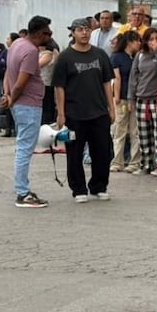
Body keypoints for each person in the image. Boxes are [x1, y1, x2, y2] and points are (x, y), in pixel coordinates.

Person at [53, 17, 115, 202]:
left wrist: (111, 107)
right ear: (72, 32)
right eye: (80, 29)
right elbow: (59, 87)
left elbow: (107, 82)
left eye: (87, 29)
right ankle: (79, 189)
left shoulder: (100, 55)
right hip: (74, 114)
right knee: (74, 154)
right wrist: (61, 113)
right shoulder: (65, 57)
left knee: (102, 152)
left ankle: (98, 186)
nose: (84, 33)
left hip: (99, 112)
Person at [0, 16, 53, 208]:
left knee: (23, 146)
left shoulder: (17, 44)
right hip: (28, 104)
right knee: (25, 148)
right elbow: (22, 82)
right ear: (39, 33)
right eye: (47, 32)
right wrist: (12, 98)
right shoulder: (30, 51)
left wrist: (7, 95)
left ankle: (23, 189)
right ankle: (22, 193)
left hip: (19, 103)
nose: (49, 36)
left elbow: (8, 73)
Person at [129, 27, 157, 175]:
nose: (153, 42)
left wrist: (156, 53)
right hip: (141, 99)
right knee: (143, 135)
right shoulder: (140, 55)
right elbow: (134, 77)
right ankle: (145, 164)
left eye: (156, 39)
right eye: (151, 39)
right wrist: (131, 98)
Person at [109, 30, 142, 173]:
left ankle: (135, 162)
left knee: (135, 131)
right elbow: (117, 78)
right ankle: (117, 161)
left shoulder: (136, 57)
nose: (139, 44)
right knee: (120, 131)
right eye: (137, 41)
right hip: (121, 98)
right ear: (129, 42)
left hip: (134, 98)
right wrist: (116, 97)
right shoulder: (117, 57)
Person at [38, 38, 60, 125]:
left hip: (46, 83)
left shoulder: (47, 54)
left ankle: (46, 122)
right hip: (42, 83)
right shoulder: (42, 54)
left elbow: (37, 65)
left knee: (46, 105)